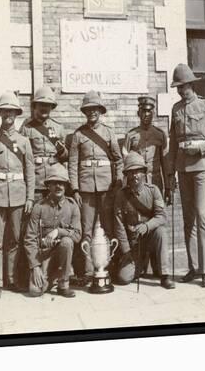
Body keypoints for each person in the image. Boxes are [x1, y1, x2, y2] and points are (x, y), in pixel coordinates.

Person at [167, 63, 205, 288]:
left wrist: (201, 147)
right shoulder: (176, 109)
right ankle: (194, 267)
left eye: (183, 86)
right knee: (187, 218)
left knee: (202, 216)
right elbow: (172, 142)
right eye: (178, 87)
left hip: (201, 166)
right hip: (182, 168)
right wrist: (170, 172)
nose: (181, 91)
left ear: (191, 84)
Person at [0, 92, 35, 300]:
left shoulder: (24, 142)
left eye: (12, 111)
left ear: (17, 114)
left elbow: (30, 172)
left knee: (15, 240)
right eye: (4, 111)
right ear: (0, 113)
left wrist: (29, 197)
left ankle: (11, 279)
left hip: (19, 197)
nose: (8, 114)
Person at [68, 90, 123, 285]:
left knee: (108, 227)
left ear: (100, 111)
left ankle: (109, 268)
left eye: (95, 109)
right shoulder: (78, 135)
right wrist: (75, 189)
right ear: (85, 112)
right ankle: (89, 271)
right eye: (88, 109)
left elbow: (118, 159)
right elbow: (72, 163)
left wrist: (117, 183)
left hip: (107, 187)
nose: (92, 113)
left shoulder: (108, 133)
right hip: (85, 189)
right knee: (87, 229)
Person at [113, 151, 175, 289]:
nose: (135, 175)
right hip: (134, 244)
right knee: (123, 278)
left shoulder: (153, 191)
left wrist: (146, 226)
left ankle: (165, 275)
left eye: (138, 171)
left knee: (161, 232)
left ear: (144, 173)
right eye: (131, 172)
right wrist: (126, 251)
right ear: (126, 175)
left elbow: (162, 216)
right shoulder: (121, 195)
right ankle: (140, 265)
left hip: (151, 238)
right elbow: (119, 226)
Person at [24, 164, 81, 298]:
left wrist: (59, 231)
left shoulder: (72, 207)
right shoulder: (39, 207)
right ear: (48, 186)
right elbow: (29, 238)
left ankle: (63, 284)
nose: (58, 187)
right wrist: (35, 266)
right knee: (35, 291)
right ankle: (52, 277)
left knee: (67, 242)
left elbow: (77, 235)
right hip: (44, 255)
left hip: (63, 255)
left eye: (61, 183)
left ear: (66, 186)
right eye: (54, 183)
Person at [19, 86, 68, 202]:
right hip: (36, 179)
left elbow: (65, 157)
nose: (44, 108)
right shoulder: (27, 128)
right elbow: (21, 156)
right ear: (35, 106)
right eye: (41, 104)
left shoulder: (58, 127)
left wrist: (62, 151)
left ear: (52, 107)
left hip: (55, 179)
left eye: (47, 105)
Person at [123, 96, 170, 194]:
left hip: (155, 181)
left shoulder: (160, 134)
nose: (146, 114)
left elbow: (165, 163)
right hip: (136, 182)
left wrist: (168, 186)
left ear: (153, 113)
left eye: (149, 111)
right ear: (138, 113)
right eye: (143, 111)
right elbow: (125, 162)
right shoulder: (131, 135)